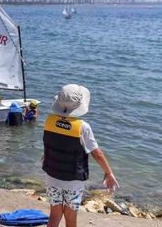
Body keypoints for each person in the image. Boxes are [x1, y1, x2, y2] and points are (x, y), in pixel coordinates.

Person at [42, 84, 120, 227]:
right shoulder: (82, 127)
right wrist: (108, 173)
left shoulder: (49, 121)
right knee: (70, 216)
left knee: (54, 214)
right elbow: (97, 153)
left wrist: (47, 156)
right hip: (73, 180)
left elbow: (50, 142)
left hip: (51, 175)